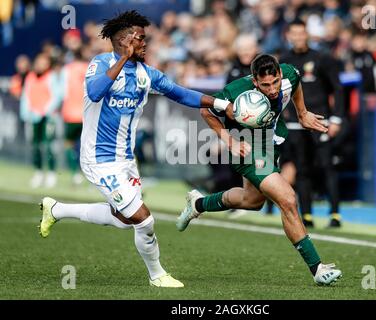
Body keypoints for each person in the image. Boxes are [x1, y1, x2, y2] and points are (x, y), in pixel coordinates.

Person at [38, 10, 233, 288]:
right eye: (140, 39)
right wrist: (125, 59)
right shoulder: (100, 63)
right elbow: (95, 92)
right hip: (99, 158)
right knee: (143, 219)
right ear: (124, 40)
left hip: (126, 161)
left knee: (123, 219)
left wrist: (221, 105)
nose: (145, 44)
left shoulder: (146, 74)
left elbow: (180, 93)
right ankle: (157, 275)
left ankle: (56, 209)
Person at [177, 54, 343, 286]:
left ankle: (197, 204)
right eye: (265, 85)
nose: (273, 89)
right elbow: (206, 111)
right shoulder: (235, 90)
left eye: (275, 82)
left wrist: (302, 112)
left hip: (269, 144)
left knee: (252, 201)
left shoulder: (290, 74)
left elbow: (295, 83)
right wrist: (229, 141)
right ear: (254, 81)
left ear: (279, 75)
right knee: (287, 198)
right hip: (244, 145)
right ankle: (318, 268)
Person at [280, 19, 346, 228]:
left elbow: (337, 88)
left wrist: (336, 118)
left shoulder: (322, 58)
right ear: (288, 36)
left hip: (320, 121)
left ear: (306, 35)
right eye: (294, 34)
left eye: (302, 33)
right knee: (302, 169)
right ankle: (306, 215)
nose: (298, 37)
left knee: (327, 167)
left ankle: (335, 214)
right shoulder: (285, 61)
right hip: (295, 125)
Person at [20, 53, 60, 189]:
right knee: (35, 146)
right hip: (33, 117)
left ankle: (51, 174)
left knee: (48, 146)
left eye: (43, 63)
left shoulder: (51, 77)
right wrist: (27, 113)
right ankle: (38, 172)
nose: (40, 65)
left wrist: (45, 110)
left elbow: (57, 96)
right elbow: (26, 96)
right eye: (38, 62)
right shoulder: (30, 77)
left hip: (47, 118)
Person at [59, 49, 88, 185]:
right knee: (86, 146)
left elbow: (62, 92)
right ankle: (89, 175)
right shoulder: (89, 68)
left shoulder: (67, 70)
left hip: (70, 113)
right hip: (87, 114)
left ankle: (75, 173)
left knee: (69, 145)